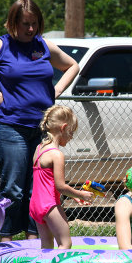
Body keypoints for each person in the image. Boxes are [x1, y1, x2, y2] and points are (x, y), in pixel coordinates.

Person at [0, 0, 79, 242]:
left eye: (34, 23)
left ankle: (35, 242)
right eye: (24, 24)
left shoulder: (43, 46)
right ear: (12, 23)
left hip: (43, 130)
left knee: (39, 190)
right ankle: (6, 242)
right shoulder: (1, 46)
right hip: (12, 128)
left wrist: (57, 90)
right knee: (13, 189)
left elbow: (72, 65)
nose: (30, 29)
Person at [29, 105, 92, 249]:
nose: (71, 137)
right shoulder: (57, 154)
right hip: (49, 205)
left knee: (46, 245)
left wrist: (73, 196)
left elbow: (46, 181)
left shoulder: (39, 149)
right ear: (63, 128)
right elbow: (60, 186)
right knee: (65, 243)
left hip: (35, 204)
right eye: (71, 132)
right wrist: (80, 193)